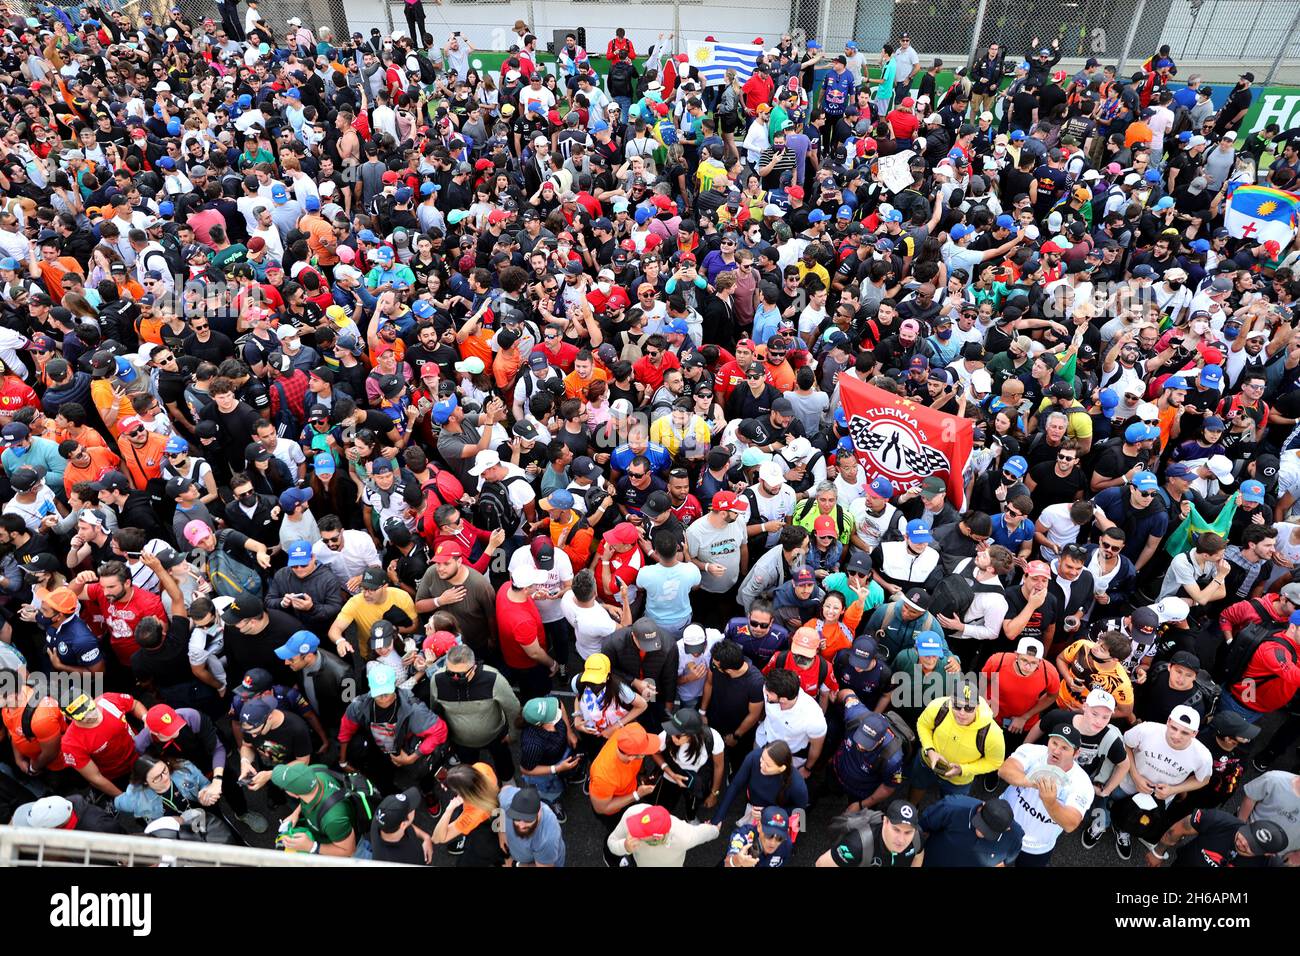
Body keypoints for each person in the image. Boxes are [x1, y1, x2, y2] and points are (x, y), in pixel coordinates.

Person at [996, 723, 1092, 865]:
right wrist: (1031, 782)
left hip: (1037, 846)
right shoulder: (1032, 751)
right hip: (1002, 827)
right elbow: (1004, 770)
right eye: (1054, 743)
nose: (1056, 751)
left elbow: (1070, 823)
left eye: (1065, 748)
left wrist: (1051, 802)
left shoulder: (1082, 783)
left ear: (1076, 753)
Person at [815, 799, 926, 867]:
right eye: (896, 829)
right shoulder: (857, 845)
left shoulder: (917, 836)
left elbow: (918, 856)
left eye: (907, 833)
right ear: (885, 821)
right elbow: (821, 864)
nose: (901, 840)